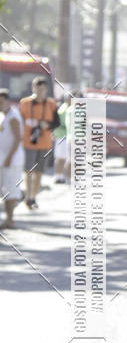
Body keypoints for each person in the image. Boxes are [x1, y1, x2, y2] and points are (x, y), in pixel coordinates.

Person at [20, 76, 57, 209]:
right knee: (28, 171)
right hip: (28, 143)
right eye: (37, 88)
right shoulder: (24, 103)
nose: (40, 91)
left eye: (42, 89)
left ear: (46, 89)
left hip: (45, 143)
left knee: (39, 172)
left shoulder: (51, 103)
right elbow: (19, 122)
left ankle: (33, 197)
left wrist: (46, 125)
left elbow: (56, 123)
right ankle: (28, 196)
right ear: (33, 88)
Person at [0, 89, 24, 229]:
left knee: (10, 190)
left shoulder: (13, 116)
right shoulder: (2, 115)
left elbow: (17, 139)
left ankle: (10, 219)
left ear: (7, 101)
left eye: (1, 101)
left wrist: (9, 157)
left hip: (12, 160)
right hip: (2, 159)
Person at [53, 93, 72, 184]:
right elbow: (59, 123)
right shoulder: (62, 109)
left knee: (65, 158)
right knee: (60, 157)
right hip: (61, 136)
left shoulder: (70, 108)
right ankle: (58, 176)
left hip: (67, 136)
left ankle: (62, 176)